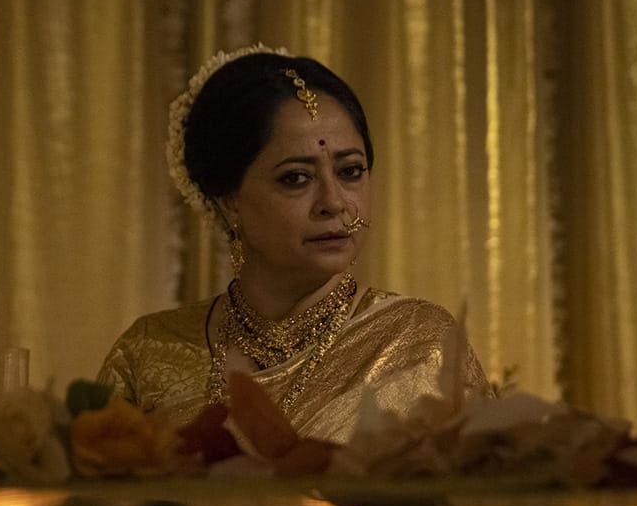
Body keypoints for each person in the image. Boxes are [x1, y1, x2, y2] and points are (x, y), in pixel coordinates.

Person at [97, 44, 490, 444]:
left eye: (351, 171)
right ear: (228, 200)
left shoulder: (422, 345)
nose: (334, 202)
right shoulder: (147, 354)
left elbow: (481, 501)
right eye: (296, 178)